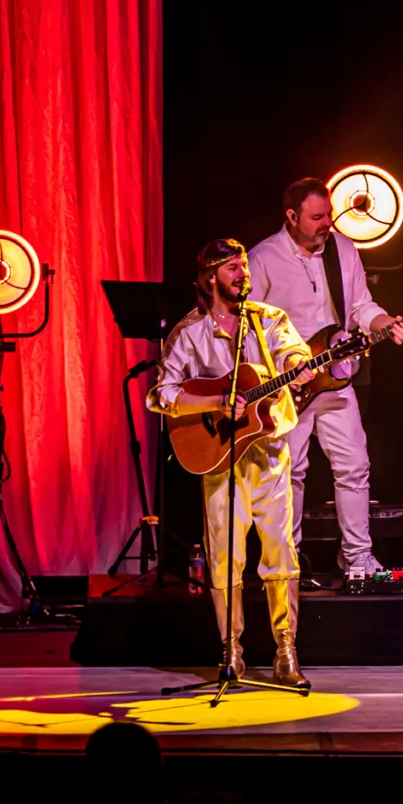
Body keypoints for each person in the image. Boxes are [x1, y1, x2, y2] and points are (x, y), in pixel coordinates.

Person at [147, 238, 315, 687]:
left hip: (269, 453)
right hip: (219, 457)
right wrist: (218, 402)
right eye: (234, 269)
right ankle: (231, 652)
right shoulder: (189, 332)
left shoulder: (268, 320)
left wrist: (300, 364)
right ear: (210, 277)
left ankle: (285, 651)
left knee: (281, 551)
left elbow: (290, 352)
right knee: (225, 559)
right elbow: (160, 394)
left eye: (245, 267)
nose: (244, 274)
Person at [248, 177, 403, 578]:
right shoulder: (264, 258)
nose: (327, 223)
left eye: (329, 215)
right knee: (292, 473)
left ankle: (356, 557)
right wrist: (282, 372)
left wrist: (384, 321)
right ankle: (288, 560)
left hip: (337, 379)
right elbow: (249, 329)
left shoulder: (342, 248)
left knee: (354, 466)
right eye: (317, 217)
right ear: (291, 217)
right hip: (290, 388)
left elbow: (360, 304)